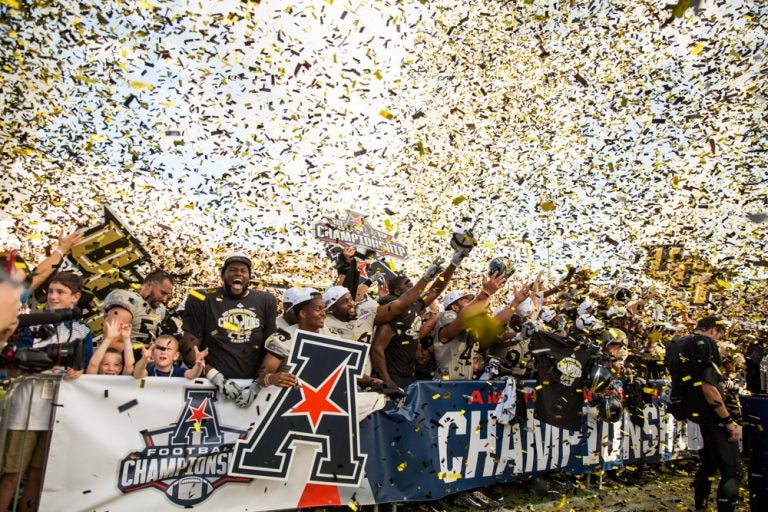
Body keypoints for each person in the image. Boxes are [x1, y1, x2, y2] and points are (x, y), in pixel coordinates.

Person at [0, 272, 92, 512]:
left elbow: (87, 366)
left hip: (58, 413)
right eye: (51, 291)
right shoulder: (32, 322)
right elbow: (15, 363)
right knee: (12, 473)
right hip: (26, 408)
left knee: (38, 474)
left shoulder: (83, 331)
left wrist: (77, 371)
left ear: (75, 297)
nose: (53, 296)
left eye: (60, 292)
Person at [667, 316, 741, 512]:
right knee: (731, 470)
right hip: (710, 413)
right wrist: (728, 420)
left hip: (690, 411)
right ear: (713, 330)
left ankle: (701, 506)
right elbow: (708, 387)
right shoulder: (706, 344)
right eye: (719, 335)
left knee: (708, 463)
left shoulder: (678, 343)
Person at [181, 252, 277, 402]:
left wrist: (258, 383)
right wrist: (215, 377)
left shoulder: (266, 300)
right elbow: (189, 346)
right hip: (210, 386)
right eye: (232, 269)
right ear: (222, 275)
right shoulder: (201, 298)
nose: (238, 273)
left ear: (249, 277)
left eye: (243, 270)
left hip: (252, 386)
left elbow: (272, 347)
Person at [133, 335, 207, 379]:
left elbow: (192, 375)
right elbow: (137, 374)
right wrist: (144, 359)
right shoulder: (149, 371)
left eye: (168, 349)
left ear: (176, 356)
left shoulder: (179, 371)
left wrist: (198, 365)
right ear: (152, 355)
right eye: (160, 348)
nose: (163, 352)